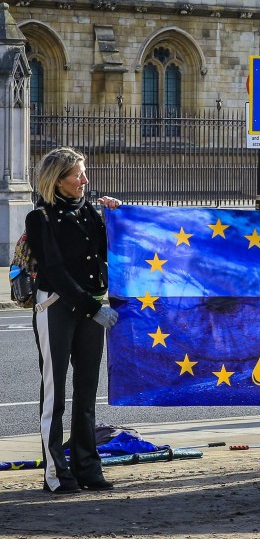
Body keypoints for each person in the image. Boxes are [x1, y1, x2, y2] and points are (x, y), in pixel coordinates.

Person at [27, 148, 122, 494]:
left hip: (92, 309)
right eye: (77, 174)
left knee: (86, 393)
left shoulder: (89, 214)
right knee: (55, 396)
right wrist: (91, 307)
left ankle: (88, 467)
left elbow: (110, 252)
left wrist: (116, 217)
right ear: (58, 179)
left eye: (84, 173)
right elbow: (54, 270)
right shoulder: (40, 218)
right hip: (57, 307)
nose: (85, 180)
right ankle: (57, 474)